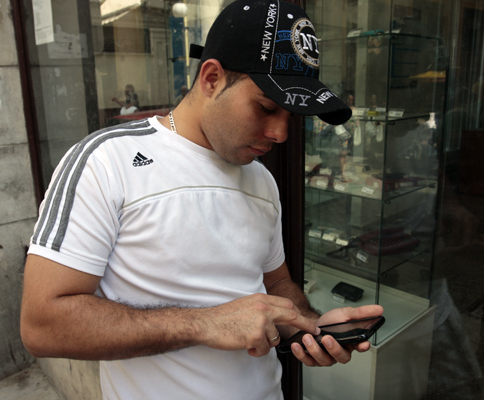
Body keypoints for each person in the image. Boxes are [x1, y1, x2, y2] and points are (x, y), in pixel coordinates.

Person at [20, 1, 383, 399]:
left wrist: (311, 327)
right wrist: (206, 323)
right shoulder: (106, 161)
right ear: (211, 78)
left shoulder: (261, 179)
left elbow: (276, 282)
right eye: (266, 107)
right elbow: (42, 324)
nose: (280, 133)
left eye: (291, 116)